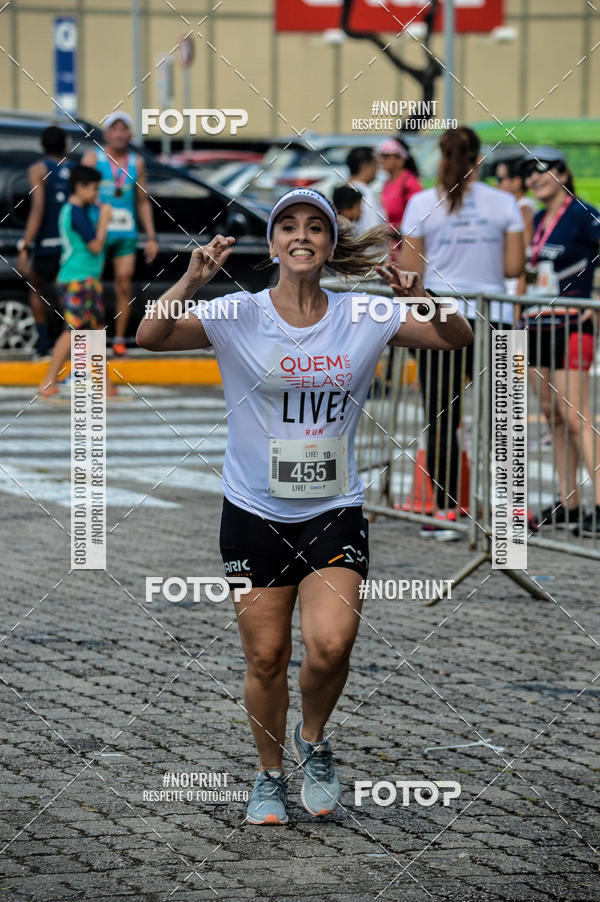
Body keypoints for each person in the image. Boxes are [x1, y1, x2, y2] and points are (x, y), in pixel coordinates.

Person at [136, 187, 473, 825]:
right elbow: (149, 335)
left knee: (330, 644)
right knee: (265, 656)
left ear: (327, 244)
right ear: (272, 243)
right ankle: (268, 775)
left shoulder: (362, 315)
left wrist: (417, 294)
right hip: (252, 511)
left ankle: (313, 743)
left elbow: (456, 335)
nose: (300, 236)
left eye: (314, 227)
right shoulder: (237, 312)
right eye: (287, 225)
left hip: (332, 509)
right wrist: (188, 279)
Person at [399, 126, 524, 532]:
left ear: (441, 155)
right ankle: (508, 513)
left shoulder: (420, 202)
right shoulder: (504, 202)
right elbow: (513, 268)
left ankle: (446, 511)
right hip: (496, 319)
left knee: (440, 416)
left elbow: (412, 271)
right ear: (479, 159)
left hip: (441, 321)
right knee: (505, 417)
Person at [520, 148, 600, 536]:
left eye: (541, 171)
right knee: (553, 415)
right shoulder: (537, 218)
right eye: (527, 174)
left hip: (572, 327)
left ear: (562, 172)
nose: (533, 178)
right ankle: (569, 503)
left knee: (577, 415)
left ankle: (598, 505)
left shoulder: (584, 213)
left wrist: (596, 302)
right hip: (538, 326)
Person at [81, 112, 158, 356]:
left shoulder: (137, 163)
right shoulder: (93, 158)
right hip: (97, 232)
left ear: (130, 135)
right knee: (92, 286)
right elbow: (80, 194)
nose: (119, 133)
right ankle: (95, 335)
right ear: (106, 134)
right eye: (115, 128)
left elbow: (143, 201)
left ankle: (120, 339)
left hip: (126, 233)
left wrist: (151, 236)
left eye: (124, 129)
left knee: (124, 284)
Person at [38, 166, 116, 399]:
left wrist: (99, 211)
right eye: (93, 189)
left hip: (86, 279)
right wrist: (103, 220)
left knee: (95, 331)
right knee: (73, 331)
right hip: (77, 279)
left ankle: (107, 385)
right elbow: (95, 245)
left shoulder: (79, 209)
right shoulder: (75, 212)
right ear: (80, 187)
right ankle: (48, 381)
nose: (96, 195)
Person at [17, 125, 74, 357]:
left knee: (36, 287)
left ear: (42, 145)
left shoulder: (39, 169)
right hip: (72, 246)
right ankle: (68, 343)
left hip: (47, 244)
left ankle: (43, 343)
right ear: (66, 145)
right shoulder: (76, 170)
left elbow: (38, 208)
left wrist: (26, 245)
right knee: (71, 296)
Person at [494, 155, 537, 295]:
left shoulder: (523, 210)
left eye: (500, 179)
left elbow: (525, 256)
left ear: (517, 182)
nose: (496, 185)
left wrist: (517, 304)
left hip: (513, 289)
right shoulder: (516, 208)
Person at [379, 138, 422, 251]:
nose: (382, 160)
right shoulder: (387, 183)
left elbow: (419, 216)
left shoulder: (410, 183)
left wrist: (394, 230)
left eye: (386, 156)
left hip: (409, 247)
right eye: (381, 156)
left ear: (400, 160)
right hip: (392, 249)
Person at [346, 146, 384, 234]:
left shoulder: (343, 188)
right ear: (364, 166)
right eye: (376, 165)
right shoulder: (365, 193)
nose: (377, 170)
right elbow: (374, 230)